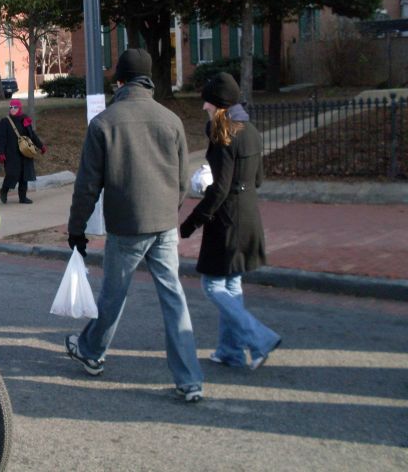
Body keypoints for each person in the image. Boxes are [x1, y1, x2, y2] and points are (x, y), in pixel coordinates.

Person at [64, 48, 205, 403]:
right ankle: (189, 379)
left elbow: (87, 186)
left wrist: (76, 229)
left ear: (121, 80)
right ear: (150, 80)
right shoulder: (171, 120)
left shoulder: (105, 123)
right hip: (163, 223)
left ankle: (92, 352)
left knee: (113, 295)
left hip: (127, 225)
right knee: (173, 297)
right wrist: (169, 210)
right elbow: (182, 179)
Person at [180, 72, 281, 370]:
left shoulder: (224, 134)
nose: (203, 108)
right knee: (232, 283)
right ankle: (230, 351)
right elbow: (259, 179)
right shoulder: (250, 130)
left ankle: (258, 338)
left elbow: (220, 189)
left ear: (219, 105)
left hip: (227, 221)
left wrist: (192, 222)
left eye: (207, 103)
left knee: (212, 285)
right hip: (249, 214)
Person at [0, 98, 45, 204]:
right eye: (11, 107)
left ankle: (22, 197)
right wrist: (1, 153)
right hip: (11, 153)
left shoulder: (24, 119)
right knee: (12, 174)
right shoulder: (5, 121)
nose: (13, 109)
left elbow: (32, 135)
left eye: (15, 107)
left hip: (25, 152)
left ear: (19, 108)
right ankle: (4, 191)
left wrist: (41, 146)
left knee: (24, 175)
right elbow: (2, 138)